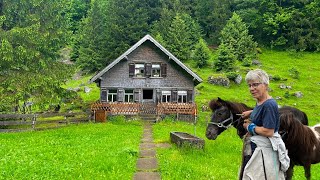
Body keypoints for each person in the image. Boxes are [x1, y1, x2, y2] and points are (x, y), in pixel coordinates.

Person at [239, 69, 290, 180]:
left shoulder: (269, 105)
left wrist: (249, 127)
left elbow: (269, 131)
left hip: (265, 151)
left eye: (255, 84)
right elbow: (262, 111)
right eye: (250, 85)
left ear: (266, 85)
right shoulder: (260, 101)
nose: (252, 89)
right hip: (257, 147)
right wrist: (251, 112)